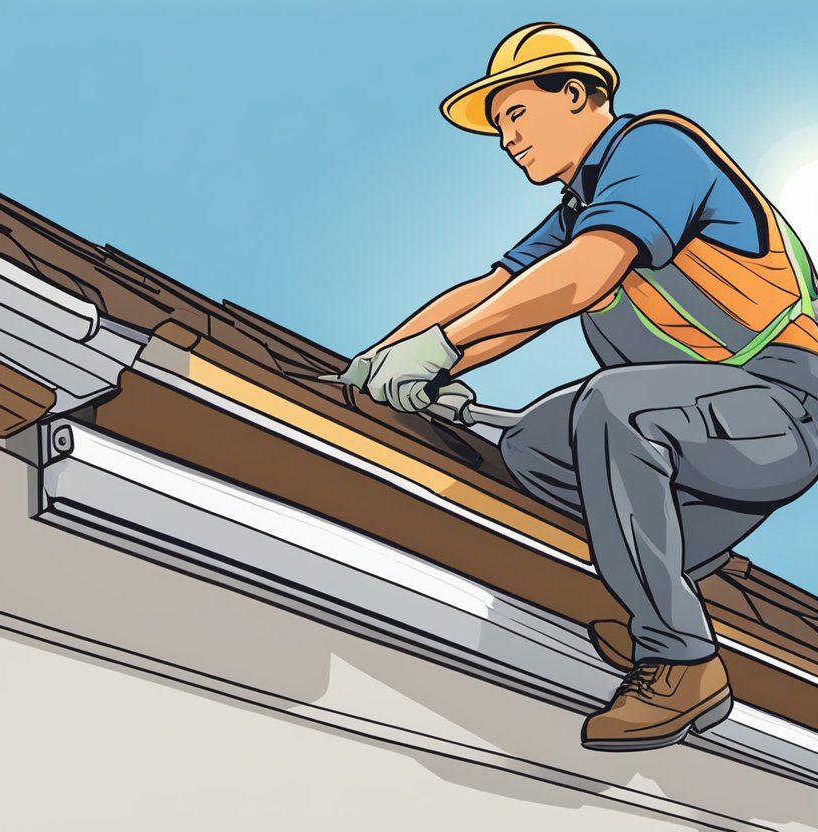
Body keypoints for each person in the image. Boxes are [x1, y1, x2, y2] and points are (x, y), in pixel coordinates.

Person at [342, 22, 818, 751]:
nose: (508, 138)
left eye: (516, 114)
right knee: (533, 442)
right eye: (501, 126)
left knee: (615, 411)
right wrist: (390, 360)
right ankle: (683, 557)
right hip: (712, 418)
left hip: (788, 407)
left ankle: (681, 660)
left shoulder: (656, 150)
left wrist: (441, 349)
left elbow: (584, 275)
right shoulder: (579, 207)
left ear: (576, 93)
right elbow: (496, 294)